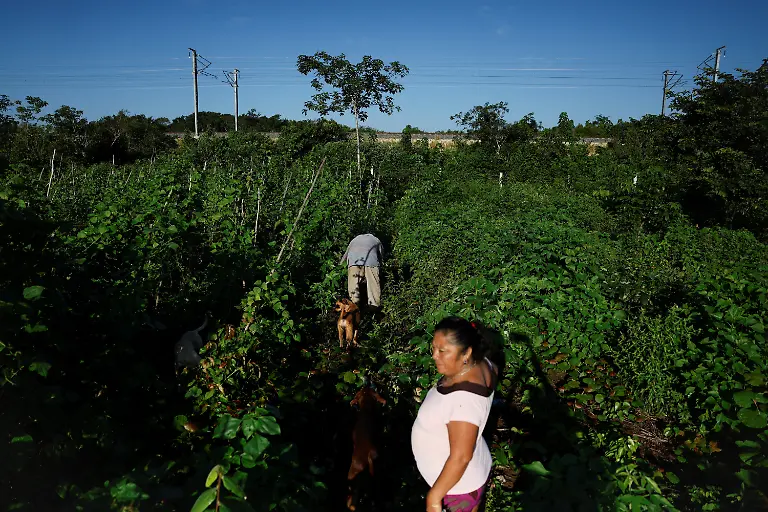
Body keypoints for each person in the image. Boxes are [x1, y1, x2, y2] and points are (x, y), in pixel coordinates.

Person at [411, 317, 499, 512]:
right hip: (469, 473)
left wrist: (434, 498)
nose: (435, 355)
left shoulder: (464, 402)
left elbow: (460, 457)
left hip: (457, 487)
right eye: (434, 348)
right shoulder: (483, 364)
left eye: (443, 351)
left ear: (466, 352)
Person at [339, 233, 383, 309]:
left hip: (354, 261)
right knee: (373, 286)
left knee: (353, 286)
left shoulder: (354, 240)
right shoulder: (376, 240)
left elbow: (344, 257)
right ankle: (374, 307)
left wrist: (340, 267)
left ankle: (355, 305)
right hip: (371, 261)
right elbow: (381, 255)